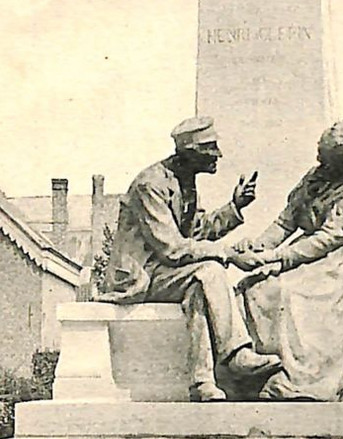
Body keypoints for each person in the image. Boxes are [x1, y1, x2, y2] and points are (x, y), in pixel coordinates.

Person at [100, 116, 281, 402]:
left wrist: (235, 207)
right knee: (209, 269)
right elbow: (172, 248)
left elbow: (198, 231)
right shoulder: (150, 184)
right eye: (211, 148)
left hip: (165, 272)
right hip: (141, 277)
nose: (218, 154)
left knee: (200, 287)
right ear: (190, 153)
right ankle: (236, 354)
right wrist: (228, 255)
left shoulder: (184, 182)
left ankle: (202, 382)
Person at [237, 120, 343, 401]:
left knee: (293, 294)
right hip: (306, 255)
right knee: (256, 287)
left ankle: (302, 378)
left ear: (341, 163)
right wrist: (257, 246)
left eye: (326, 158)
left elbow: (327, 239)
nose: (319, 160)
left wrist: (275, 258)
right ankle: (265, 368)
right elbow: (286, 222)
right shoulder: (315, 177)